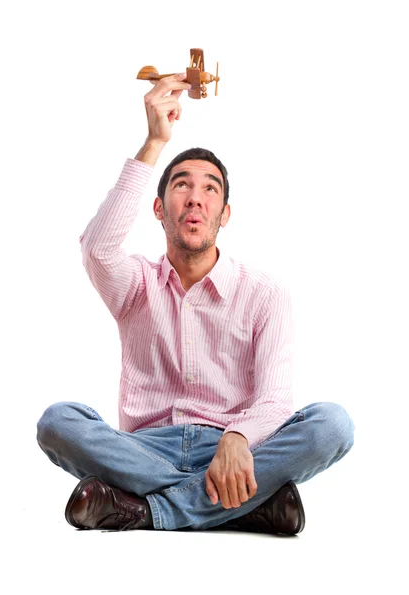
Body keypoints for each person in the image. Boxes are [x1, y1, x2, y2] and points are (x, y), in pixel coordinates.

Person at [37, 73, 354, 534]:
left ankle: (143, 510)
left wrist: (238, 437)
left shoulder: (264, 292)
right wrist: (153, 142)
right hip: (143, 451)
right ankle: (246, 503)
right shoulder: (135, 284)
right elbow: (97, 249)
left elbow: (274, 398)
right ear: (159, 208)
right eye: (181, 186)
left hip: (232, 449)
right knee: (58, 422)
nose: (195, 199)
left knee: (333, 425)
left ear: (224, 214)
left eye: (210, 189)